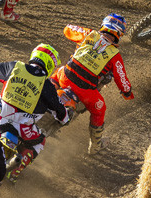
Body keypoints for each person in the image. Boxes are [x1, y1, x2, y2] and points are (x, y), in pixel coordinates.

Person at [0, 43, 72, 175]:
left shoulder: (15, 66)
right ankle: (14, 173)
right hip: (22, 129)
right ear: (50, 64)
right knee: (40, 142)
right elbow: (62, 115)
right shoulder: (47, 86)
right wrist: (65, 119)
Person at [54, 14, 133, 155]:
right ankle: (95, 146)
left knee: (56, 74)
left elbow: (68, 29)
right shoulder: (115, 55)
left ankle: (37, 96)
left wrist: (78, 33)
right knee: (100, 110)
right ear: (119, 33)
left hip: (65, 79)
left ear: (103, 25)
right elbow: (122, 79)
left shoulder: (89, 34)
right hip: (86, 92)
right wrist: (127, 93)